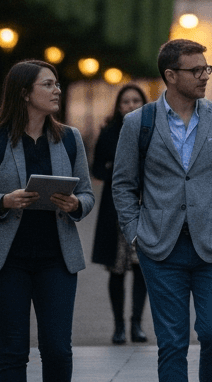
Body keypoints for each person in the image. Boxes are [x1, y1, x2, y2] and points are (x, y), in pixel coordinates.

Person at [112, 39, 212, 382]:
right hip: (161, 247)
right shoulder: (137, 123)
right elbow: (123, 184)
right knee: (172, 343)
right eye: (196, 70)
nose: (205, 75)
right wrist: (135, 232)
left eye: (206, 69)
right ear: (171, 75)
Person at [0, 60, 95, 382]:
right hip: (7, 261)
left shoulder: (69, 138)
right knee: (13, 350)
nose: (57, 91)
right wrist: (4, 201)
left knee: (58, 349)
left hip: (57, 260)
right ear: (24, 93)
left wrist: (76, 203)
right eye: (48, 85)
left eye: (57, 84)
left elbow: (89, 195)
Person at [92, 83, 150, 344]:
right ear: (118, 105)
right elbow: (96, 168)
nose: (130, 105)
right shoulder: (108, 132)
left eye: (136, 100)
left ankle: (136, 323)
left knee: (142, 270)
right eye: (125, 101)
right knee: (116, 270)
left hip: (145, 208)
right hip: (114, 209)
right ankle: (118, 326)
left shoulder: (152, 130)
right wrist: (118, 175)